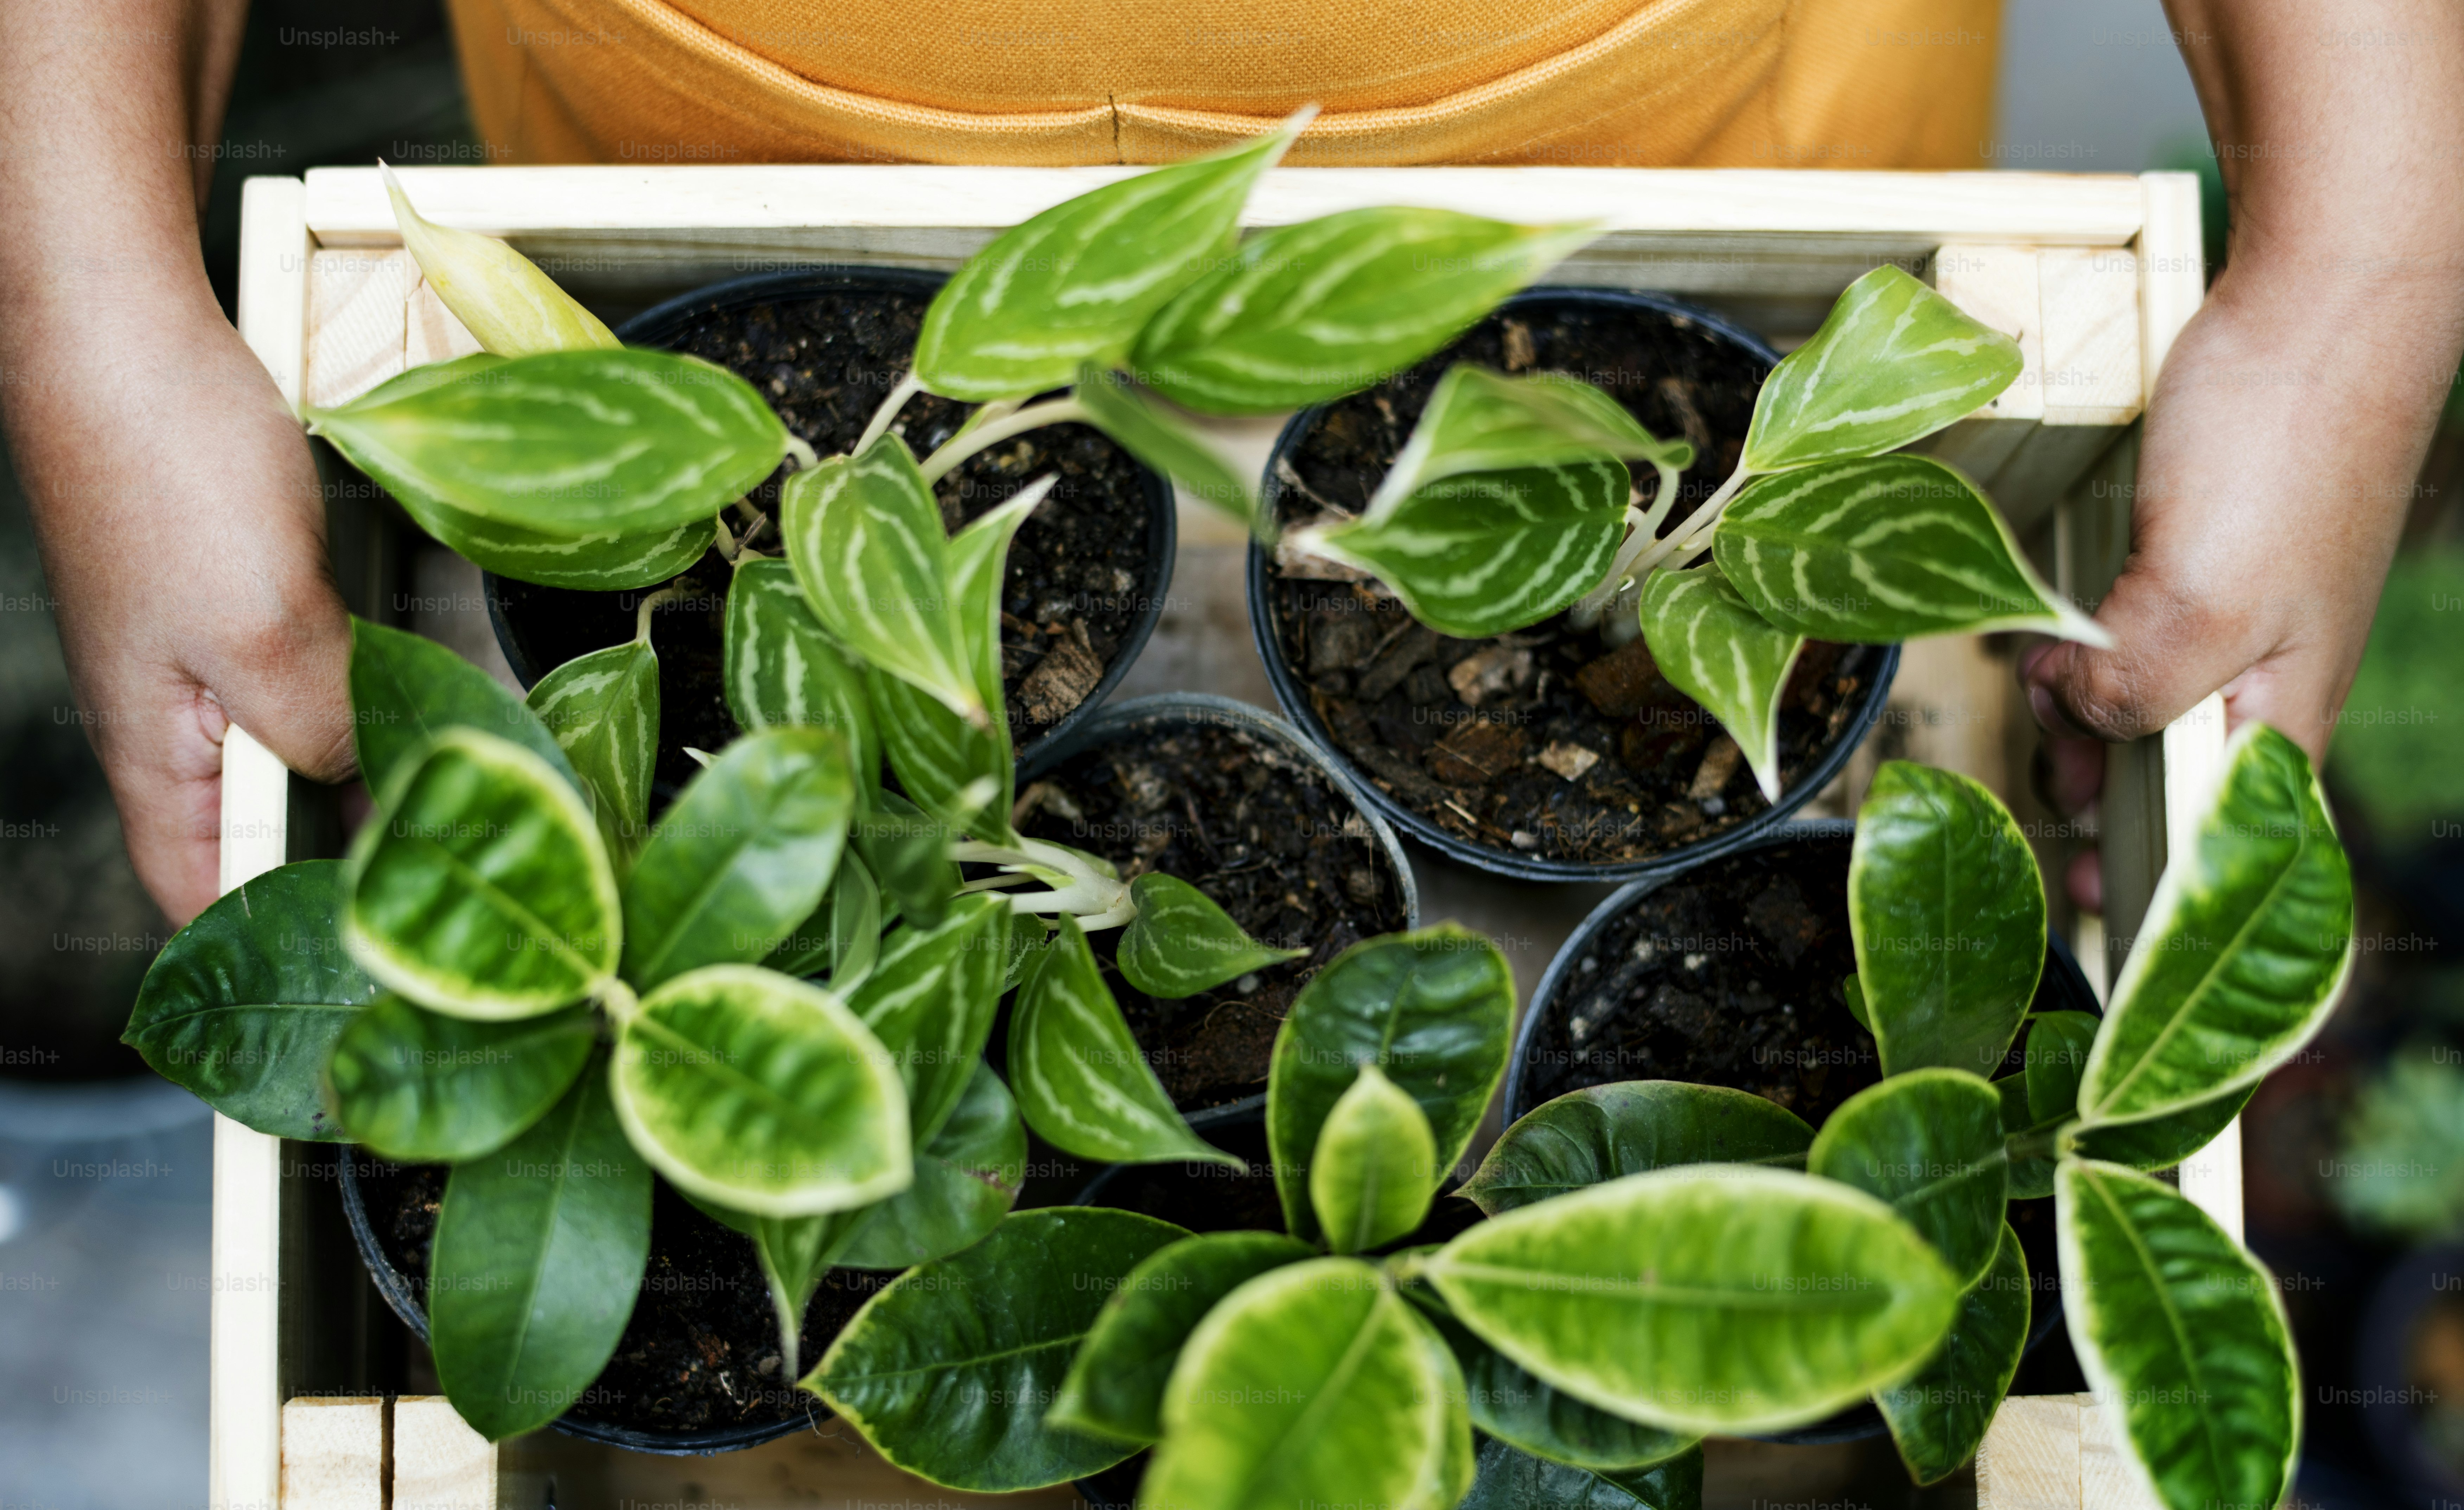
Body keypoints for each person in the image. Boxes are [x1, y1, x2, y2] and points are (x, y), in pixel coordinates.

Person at [1, 0, 2458, 926]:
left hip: (1682, 86)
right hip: (736, 100)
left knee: (1659, 417)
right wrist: (82, 278)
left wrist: (2371, 233)